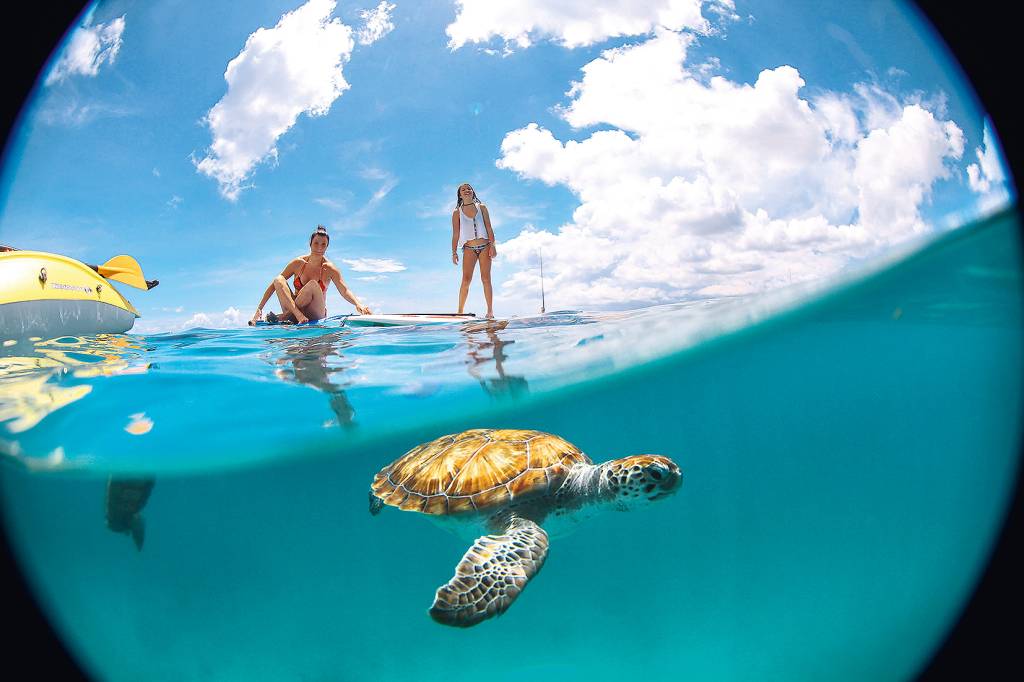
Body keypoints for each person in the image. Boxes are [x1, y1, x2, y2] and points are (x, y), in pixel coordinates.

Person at [249, 225, 371, 325]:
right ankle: (295, 315)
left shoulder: (329, 268)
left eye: (323, 244)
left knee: (312, 285)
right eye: (316, 243)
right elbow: (274, 286)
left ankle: (284, 317)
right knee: (278, 279)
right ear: (310, 243)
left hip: (315, 312)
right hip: (297, 311)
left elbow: (345, 290)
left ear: (327, 247)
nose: (319, 247)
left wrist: (358, 304)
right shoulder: (298, 263)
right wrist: (258, 310)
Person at [451, 183, 497, 318]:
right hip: (469, 248)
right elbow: (455, 234)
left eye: (468, 189)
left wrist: (493, 245)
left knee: (486, 279)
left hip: (485, 246)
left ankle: (490, 311)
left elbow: (489, 227)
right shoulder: (456, 213)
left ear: (473, 192)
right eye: (463, 189)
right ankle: (460, 311)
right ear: (460, 194)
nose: (466, 190)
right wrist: (454, 252)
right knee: (466, 280)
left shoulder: (482, 207)